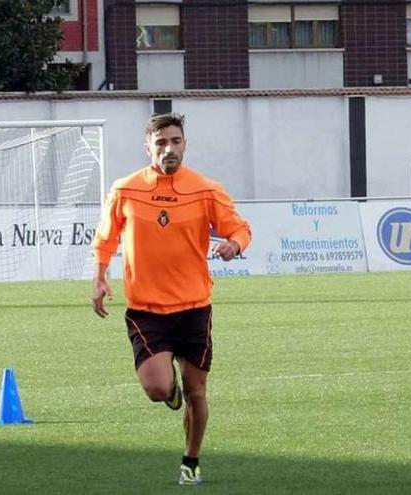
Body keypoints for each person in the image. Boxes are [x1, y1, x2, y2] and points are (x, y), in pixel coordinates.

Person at [91, 113, 252, 486]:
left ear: (185, 145)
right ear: (148, 147)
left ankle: (191, 460)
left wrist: (234, 244)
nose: (169, 149)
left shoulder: (205, 189)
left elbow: (240, 228)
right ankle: (169, 388)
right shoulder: (126, 189)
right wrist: (99, 278)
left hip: (195, 307)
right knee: (157, 388)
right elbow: (106, 237)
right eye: (161, 143)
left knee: (198, 392)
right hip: (147, 311)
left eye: (175, 142)